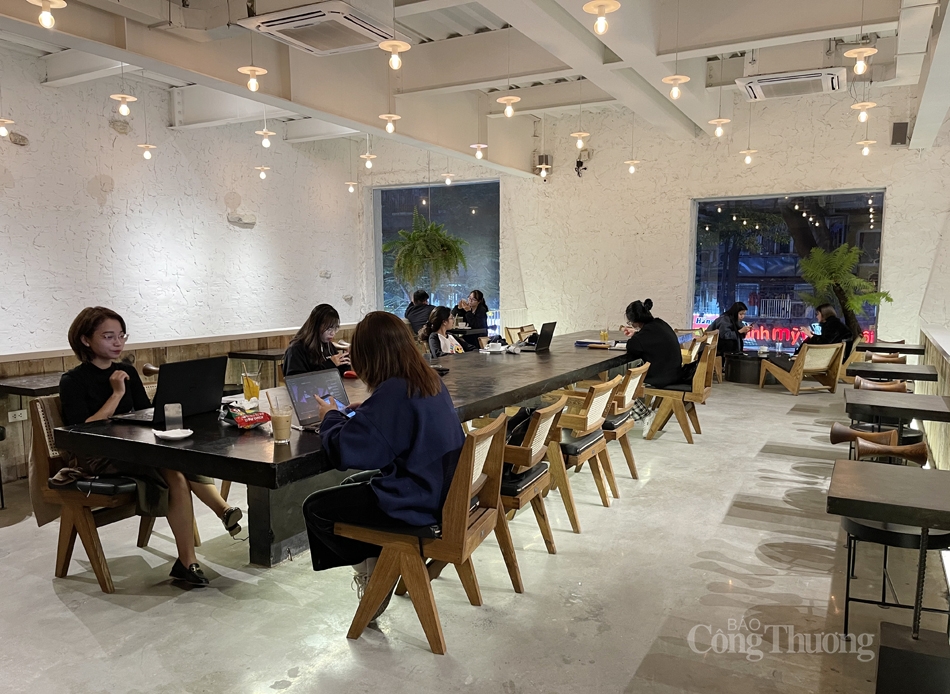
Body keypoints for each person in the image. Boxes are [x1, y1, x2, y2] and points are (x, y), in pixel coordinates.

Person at [58, 307, 241, 587]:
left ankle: (192, 556)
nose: (117, 342)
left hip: (134, 447)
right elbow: (81, 430)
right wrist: (117, 394)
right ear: (85, 340)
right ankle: (215, 521)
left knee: (180, 459)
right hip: (98, 455)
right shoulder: (73, 380)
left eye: (121, 336)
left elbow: (146, 412)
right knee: (173, 468)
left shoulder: (127, 371)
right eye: (108, 336)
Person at [301, 311, 465, 621]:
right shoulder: (427, 378)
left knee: (316, 509)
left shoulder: (394, 392)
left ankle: (375, 573)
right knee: (352, 486)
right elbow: (393, 425)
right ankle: (374, 564)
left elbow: (346, 451)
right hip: (442, 489)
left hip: (419, 503)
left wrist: (330, 416)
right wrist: (369, 412)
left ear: (371, 357)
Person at [622, 298, 682, 388]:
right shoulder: (660, 323)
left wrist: (637, 335)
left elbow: (631, 347)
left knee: (625, 381)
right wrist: (637, 333)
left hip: (662, 378)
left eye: (630, 322)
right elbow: (650, 338)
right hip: (675, 373)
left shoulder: (646, 333)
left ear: (635, 322)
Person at [283, 304, 350, 377]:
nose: (333, 333)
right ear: (316, 326)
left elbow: (337, 372)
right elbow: (298, 380)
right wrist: (330, 364)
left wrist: (345, 365)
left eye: (335, 328)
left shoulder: (328, 345)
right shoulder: (296, 350)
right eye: (329, 328)